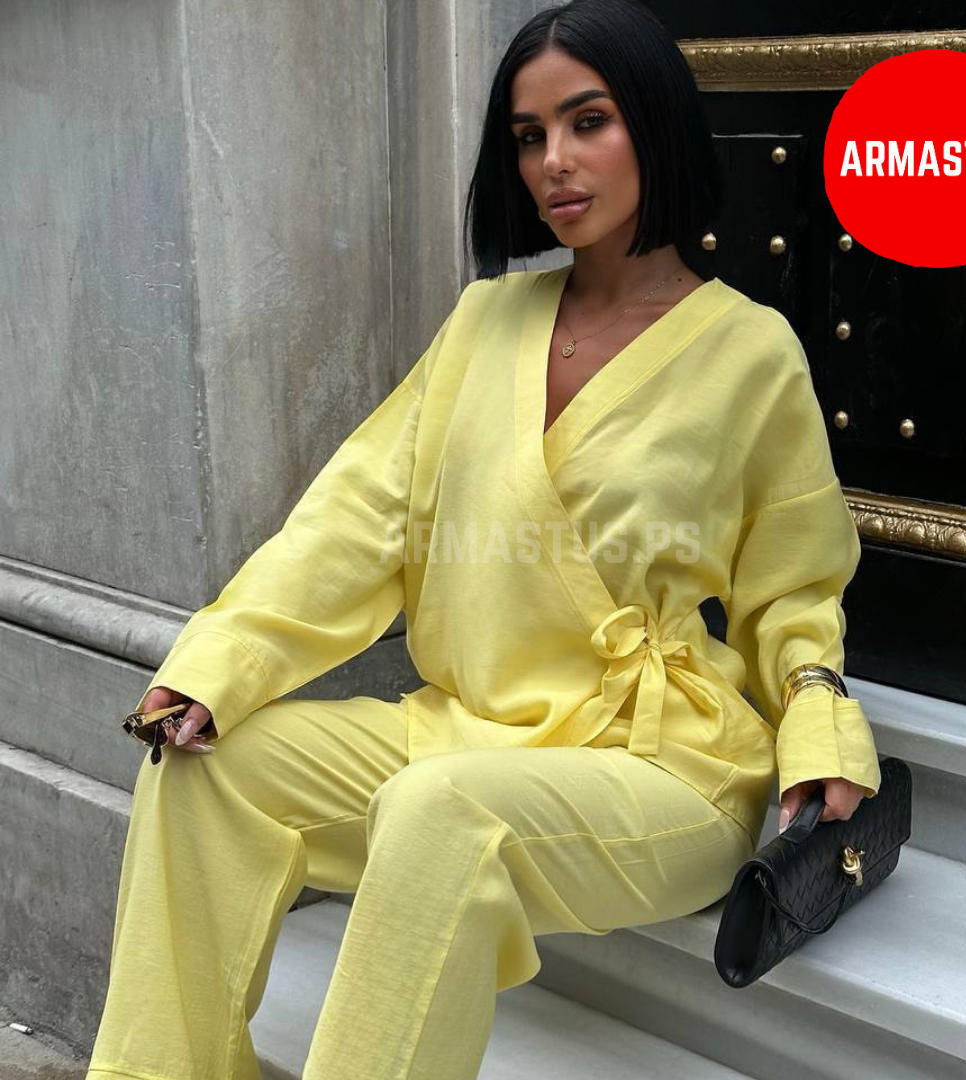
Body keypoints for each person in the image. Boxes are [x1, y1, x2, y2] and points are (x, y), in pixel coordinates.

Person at [87, 1, 881, 1078]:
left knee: (439, 811)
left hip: (657, 764)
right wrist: (219, 665)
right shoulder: (483, 321)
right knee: (207, 774)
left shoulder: (751, 351)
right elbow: (357, 520)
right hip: (467, 729)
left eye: (588, 121)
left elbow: (793, 589)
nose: (554, 161)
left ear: (653, 124)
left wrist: (820, 732)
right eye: (527, 135)